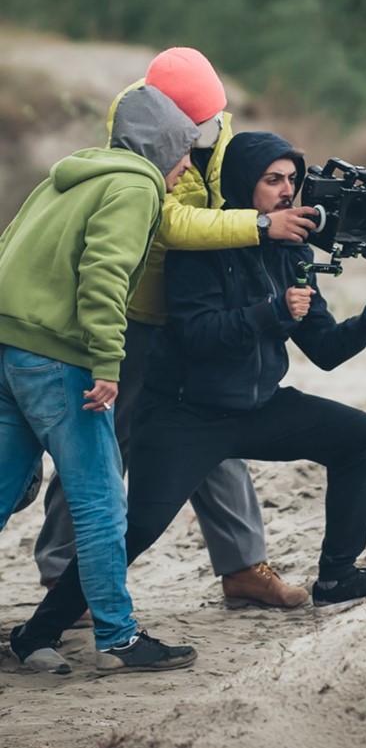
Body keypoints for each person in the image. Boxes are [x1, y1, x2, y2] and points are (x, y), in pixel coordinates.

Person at [11, 130, 366, 648]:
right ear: (247, 184)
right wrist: (269, 313)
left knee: (360, 436)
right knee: (135, 531)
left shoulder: (290, 254)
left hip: (258, 409)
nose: (286, 191)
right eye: (273, 180)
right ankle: (36, 634)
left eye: (292, 180)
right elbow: (196, 336)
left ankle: (338, 577)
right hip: (186, 418)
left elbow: (326, 350)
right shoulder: (201, 247)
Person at [33, 47, 313, 611]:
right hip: (134, 315)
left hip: (196, 309)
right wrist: (261, 225)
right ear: (172, 118)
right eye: (200, 124)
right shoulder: (142, 138)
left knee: (216, 422)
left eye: (216, 117)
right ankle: (63, 576)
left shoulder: (214, 122)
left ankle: (242, 566)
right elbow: (170, 222)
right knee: (101, 439)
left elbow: (228, 190)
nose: (211, 130)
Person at [1, 86, 200, 675]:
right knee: (100, 502)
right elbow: (105, 277)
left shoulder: (68, 176)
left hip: (10, 351)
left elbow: (6, 248)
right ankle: (118, 638)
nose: (187, 163)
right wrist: (107, 365)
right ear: (160, 146)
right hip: (60, 361)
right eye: (183, 150)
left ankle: (41, 641)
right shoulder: (136, 186)